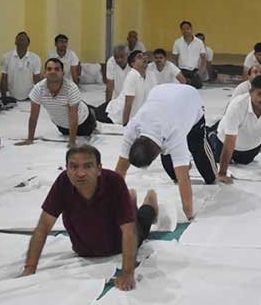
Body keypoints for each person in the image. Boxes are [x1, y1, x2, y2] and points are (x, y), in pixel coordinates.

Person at [21, 145, 158, 291]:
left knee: (141, 221)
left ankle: (149, 200)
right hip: (83, 249)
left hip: (117, 244)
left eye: (87, 166)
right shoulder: (63, 183)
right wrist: (30, 268)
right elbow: (43, 226)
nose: (80, 173)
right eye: (74, 167)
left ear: (98, 169)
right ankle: (130, 201)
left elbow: (129, 231)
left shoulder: (114, 181)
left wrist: (127, 273)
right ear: (67, 169)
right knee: (128, 211)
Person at [115, 84, 218, 220]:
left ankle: (210, 146)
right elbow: (120, 170)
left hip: (190, 98)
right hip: (161, 93)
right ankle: (184, 162)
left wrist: (189, 214)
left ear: (157, 154)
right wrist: (112, 202)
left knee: (203, 160)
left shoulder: (175, 134)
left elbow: (184, 179)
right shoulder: (133, 127)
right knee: (173, 173)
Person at [15, 58, 95, 148]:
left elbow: (73, 117)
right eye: (49, 69)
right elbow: (33, 116)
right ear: (44, 73)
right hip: (62, 127)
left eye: (57, 69)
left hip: (84, 123)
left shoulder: (71, 88)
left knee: (92, 113)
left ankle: (91, 111)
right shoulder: (38, 89)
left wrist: (72, 142)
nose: (53, 72)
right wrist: (30, 139)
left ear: (63, 73)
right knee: (75, 104)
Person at [102, 51, 157, 126]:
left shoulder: (151, 75)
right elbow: (128, 103)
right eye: (139, 57)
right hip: (115, 113)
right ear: (132, 64)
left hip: (135, 115)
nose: (144, 58)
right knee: (90, 115)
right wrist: (125, 125)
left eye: (144, 56)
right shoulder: (132, 76)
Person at [0, 31, 41, 101]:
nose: (21, 40)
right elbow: (4, 78)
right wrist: (3, 98)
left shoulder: (35, 58)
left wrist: (37, 99)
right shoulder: (6, 57)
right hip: (11, 96)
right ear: (15, 42)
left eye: (23, 39)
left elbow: (37, 80)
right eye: (19, 39)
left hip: (29, 97)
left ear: (28, 43)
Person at [171, 21, 207, 89]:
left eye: (187, 28)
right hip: (182, 70)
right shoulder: (177, 42)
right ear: (181, 30)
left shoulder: (199, 42)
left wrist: (200, 71)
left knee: (197, 86)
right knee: (180, 86)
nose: (185, 31)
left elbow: (203, 58)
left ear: (191, 29)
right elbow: (174, 58)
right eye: (183, 29)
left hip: (194, 71)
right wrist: (177, 71)